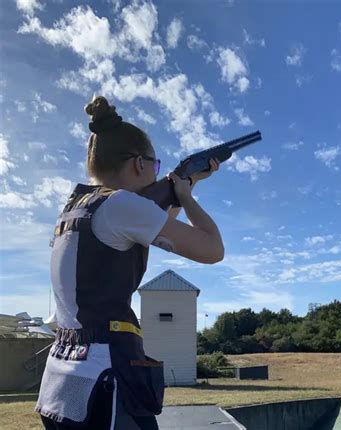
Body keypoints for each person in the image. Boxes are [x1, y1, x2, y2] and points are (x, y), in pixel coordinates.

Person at [35, 95, 224, 429]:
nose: (155, 173)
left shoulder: (75, 208)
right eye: (155, 166)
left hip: (64, 382)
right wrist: (185, 196)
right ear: (139, 164)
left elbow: (153, 225)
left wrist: (188, 183)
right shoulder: (121, 205)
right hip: (107, 380)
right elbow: (212, 249)